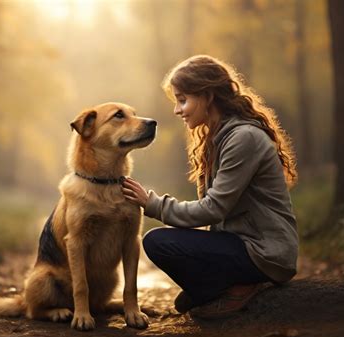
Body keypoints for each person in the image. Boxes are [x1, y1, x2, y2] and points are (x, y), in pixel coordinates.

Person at [121, 55, 298, 319]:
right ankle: (214, 287)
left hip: (265, 252)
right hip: (243, 244)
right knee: (163, 243)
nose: (177, 110)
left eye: (183, 99)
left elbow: (214, 209)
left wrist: (152, 204)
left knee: (158, 242)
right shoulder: (219, 138)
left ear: (208, 96)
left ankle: (233, 288)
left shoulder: (243, 138)